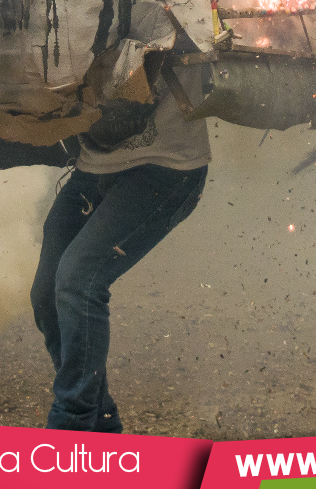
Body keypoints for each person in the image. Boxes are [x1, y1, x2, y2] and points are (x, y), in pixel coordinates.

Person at [30, 62, 210, 432]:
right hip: (93, 169)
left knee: (79, 280)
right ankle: (102, 426)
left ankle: (71, 426)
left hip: (166, 168)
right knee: (46, 294)